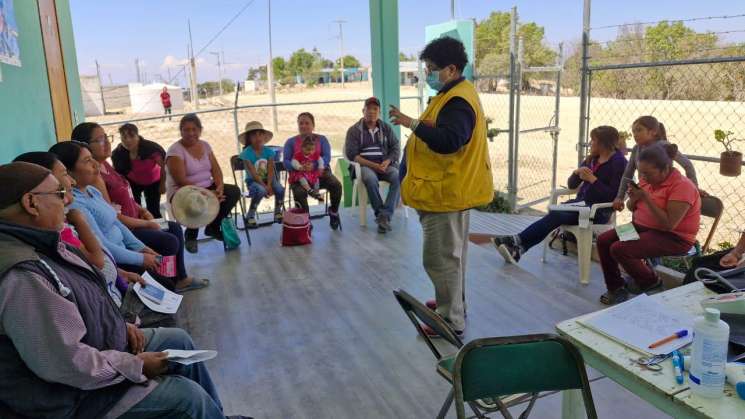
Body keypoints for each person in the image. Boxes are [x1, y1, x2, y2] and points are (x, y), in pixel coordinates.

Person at [0, 162, 251, 419]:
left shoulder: (44, 242)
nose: (67, 201)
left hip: (101, 347)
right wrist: (136, 365)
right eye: (59, 194)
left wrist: (118, 325)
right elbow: (67, 364)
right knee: (186, 397)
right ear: (31, 203)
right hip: (69, 398)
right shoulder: (23, 274)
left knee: (178, 341)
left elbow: (87, 292)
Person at [389, 37, 494, 337]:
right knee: (452, 256)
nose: (428, 74)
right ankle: (453, 303)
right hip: (447, 192)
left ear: (451, 68)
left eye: (433, 69)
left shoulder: (458, 100)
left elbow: (450, 141)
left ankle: (450, 320)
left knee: (440, 259)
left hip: (444, 194)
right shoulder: (454, 94)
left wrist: (412, 123)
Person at [13, 151, 176, 328]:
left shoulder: (77, 210)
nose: (71, 186)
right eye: (60, 189)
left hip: (116, 284)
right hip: (112, 305)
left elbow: (112, 227)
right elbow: (98, 259)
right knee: (171, 320)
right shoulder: (59, 233)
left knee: (167, 282)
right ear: (31, 202)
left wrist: (131, 258)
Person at [69, 123, 208, 293]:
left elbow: (121, 201)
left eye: (106, 137)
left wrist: (142, 210)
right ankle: (169, 281)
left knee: (173, 228)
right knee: (169, 240)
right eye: (100, 139)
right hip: (129, 228)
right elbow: (113, 221)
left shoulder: (104, 169)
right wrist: (144, 228)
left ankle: (176, 278)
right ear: (84, 146)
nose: (107, 142)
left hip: (131, 224)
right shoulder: (93, 182)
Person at [493, 126, 627, 262]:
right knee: (555, 213)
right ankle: (519, 249)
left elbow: (613, 196)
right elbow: (571, 185)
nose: (590, 143)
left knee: (556, 215)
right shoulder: (592, 159)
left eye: (593, 140)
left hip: (597, 212)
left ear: (603, 143)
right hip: (579, 206)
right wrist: (577, 173)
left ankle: (517, 241)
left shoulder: (618, 162)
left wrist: (593, 180)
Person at [597, 144, 701, 305]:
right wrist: (634, 198)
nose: (643, 178)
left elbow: (669, 225)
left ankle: (651, 282)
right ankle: (616, 288)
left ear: (665, 169)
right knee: (604, 240)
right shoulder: (647, 182)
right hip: (642, 228)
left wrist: (646, 198)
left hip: (672, 237)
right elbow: (632, 208)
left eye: (648, 173)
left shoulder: (683, 186)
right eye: (641, 173)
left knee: (620, 248)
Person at [166, 113, 241, 252]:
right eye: (186, 130)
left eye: (194, 129)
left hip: (206, 187)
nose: (190, 133)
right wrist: (206, 194)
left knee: (233, 192)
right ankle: (191, 234)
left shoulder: (205, 146)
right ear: (181, 131)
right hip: (183, 191)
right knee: (196, 202)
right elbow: (180, 180)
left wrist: (219, 187)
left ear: (200, 130)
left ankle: (212, 227)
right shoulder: (175, 150)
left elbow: (216, 170)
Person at [613, 115, 699, 211]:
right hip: (643, 193)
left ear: (653, 131)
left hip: (663, 195)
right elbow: (627, 174)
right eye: (633, 132)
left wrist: (694, 189)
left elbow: (687, 165)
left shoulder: (664, 146)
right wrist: (619, 197)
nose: (635, 134)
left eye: (639, 130)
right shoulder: (637, 149)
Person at [344, 96, 401, 234]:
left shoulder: (385, 128)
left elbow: (395, 147)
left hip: (384, 165)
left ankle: (384, 216)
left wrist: (387, 161)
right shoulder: (354, 130)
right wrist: (374, 166)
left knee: (398, 176)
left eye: (375, 109)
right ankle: (382, 216)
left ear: (379, 112)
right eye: (368, 109)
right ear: (363, 111)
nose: (372, 112)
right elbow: (354, 156)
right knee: (370, 179)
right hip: (365, 166)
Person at [283, 112, 342, 230]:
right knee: (299, 193)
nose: (303, 126)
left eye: (307, 123)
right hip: (299, 176)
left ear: (313, 125)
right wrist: (299, 167)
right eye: (301, 123)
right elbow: (286, 161)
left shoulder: (321, 139)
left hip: (319, 173)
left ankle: (334, 212)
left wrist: (314, 165)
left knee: (336, 185)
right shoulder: (291, 142)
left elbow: (327, 157)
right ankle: (306, 221)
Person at [112, 123, 166, 218]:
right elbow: (117, 174)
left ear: (138, 136)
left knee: (153, 209)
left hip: (153, 181)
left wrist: (163, 184)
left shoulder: (151, 148)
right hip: (133, 182)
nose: (128, 140)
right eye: (124, 137)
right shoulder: (118, 153)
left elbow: (165, 167)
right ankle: (142, 228)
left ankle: (159, 229)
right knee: (134, 208)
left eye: (132, 136)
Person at [237, 121, 285, 227]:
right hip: (253, 181)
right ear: (249, 138)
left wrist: (269, 184)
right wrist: (266, 187)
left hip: (269, 179)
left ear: (264, 136)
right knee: (261, 190)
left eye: (260, 134)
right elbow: (253, 173)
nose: (257, 137)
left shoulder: (269, 151)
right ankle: (250, 215)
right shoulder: (246, 154)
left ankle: (278, 211)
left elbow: (271, 169)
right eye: (254, 135)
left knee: (280, 189)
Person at [289, 136, 325, 201]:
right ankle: (309, 190)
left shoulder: (315, 154)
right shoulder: (298, 154)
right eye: (308, 150)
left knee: (316, 178)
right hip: (302, 171)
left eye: (312, 150)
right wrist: (299, 167)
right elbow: (294, 162)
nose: (310, 152)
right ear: (302, 148)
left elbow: (320, 160)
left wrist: (320, 167)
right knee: (301, 178)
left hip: (310, 172)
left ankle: (316, 192)